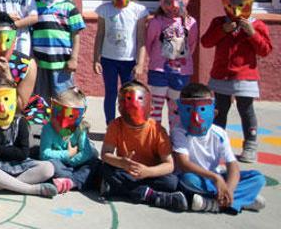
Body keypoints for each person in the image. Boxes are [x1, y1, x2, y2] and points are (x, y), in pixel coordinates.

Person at [201, 0, 273, 163]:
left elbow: (265, 50)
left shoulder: (257, 25)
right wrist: (222, 31)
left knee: (246, 110)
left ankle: (250, 144)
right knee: (220, 110)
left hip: (245, 76)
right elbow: (206, 42)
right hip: (221, 75)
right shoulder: (219, 22)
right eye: (232, 5)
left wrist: (252, 33)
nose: (237, 9)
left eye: (242, 4)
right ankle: (217, 145)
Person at [172, 83, 266, 213]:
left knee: (258, 178)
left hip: (216, 179)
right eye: (189, 111)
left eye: (202, 110)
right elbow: (184, 163)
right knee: (187, 180)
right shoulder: (179, 131)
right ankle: (241, 200)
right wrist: (216, 178)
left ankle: (217, 202)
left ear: (214, 112)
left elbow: (232, 165)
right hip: (199, 178)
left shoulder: (219, 133)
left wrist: (229, 188)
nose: (196, 118)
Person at [100, 80, 187, 211]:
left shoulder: (157, 130)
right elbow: (105, 154)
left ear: (151, 109)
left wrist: (148, 172)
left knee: (171, 182)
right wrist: (121, 162)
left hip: (150, 174)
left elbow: (169, 165)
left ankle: (121, 189)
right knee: (106, 169)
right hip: (126, 171)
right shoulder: (115, 126)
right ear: (120, 108)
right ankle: (151, 196)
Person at [0, 78, 57, 197]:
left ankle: (0, 186)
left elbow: (23, 153)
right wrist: (11, 152)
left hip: (18, 165)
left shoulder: (20, 122)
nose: (2, 107)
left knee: (48, 168)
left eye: (6, 99)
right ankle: (32, 189)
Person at [93, 0, 148, 124]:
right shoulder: (104, 9)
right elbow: (100, 34)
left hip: (128, 60)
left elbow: (141, 38)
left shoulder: (139, 10)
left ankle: (128, 123)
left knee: (129, 94)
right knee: (110, 93)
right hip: (109, 59)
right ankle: (110, 123)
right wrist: (96, 59)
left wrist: (140, 63)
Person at [146, 0, 198, 126]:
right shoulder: (156, 22)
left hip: (182, 72)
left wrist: (182, 61)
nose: (174, 4)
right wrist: (158, 60)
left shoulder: (190, 23)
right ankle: (154, 139)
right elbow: (149, 44)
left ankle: (175, 140)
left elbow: (192, 44)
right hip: (159, 71)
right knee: (155, 108)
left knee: (176, 109)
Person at [32, 0, 85, 99]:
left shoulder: (69, 7)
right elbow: (30, 32)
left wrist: (74, 58)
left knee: (63, 100)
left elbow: (76, 35)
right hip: (40, 63)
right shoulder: (34, 6)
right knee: (40, 101)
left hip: (62, 65)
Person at [39, 88, 99, 193]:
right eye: (57, 116)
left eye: (70, 117)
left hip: (79, 164)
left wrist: (72, 160)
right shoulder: (48, 128)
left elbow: (86, 152)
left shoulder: (80, 129)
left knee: (94, 164)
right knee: (50, 165)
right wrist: (68, 154)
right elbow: (44, 154)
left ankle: (71, 182)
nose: (62, 123)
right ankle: (78, 181)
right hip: (61, 166)